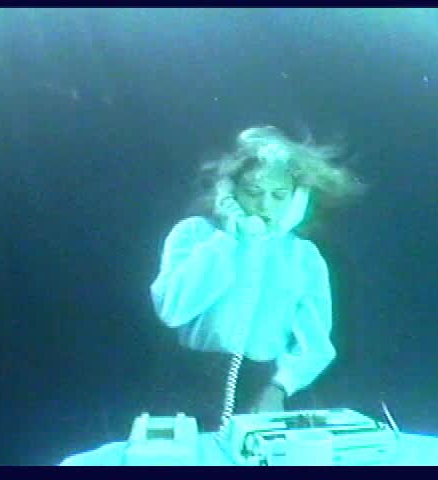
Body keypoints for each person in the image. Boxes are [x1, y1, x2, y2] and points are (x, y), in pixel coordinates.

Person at [149, 126, 365, 430]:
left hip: (262, 388)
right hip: (187, 384)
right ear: (229, 190)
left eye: (278, 196)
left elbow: (316, 344)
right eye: (253, 192)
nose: (264, 206)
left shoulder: (303, 256)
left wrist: (279, 387)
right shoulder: (194, 234)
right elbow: (173, 310)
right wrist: (227, 240)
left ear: (297, 199)